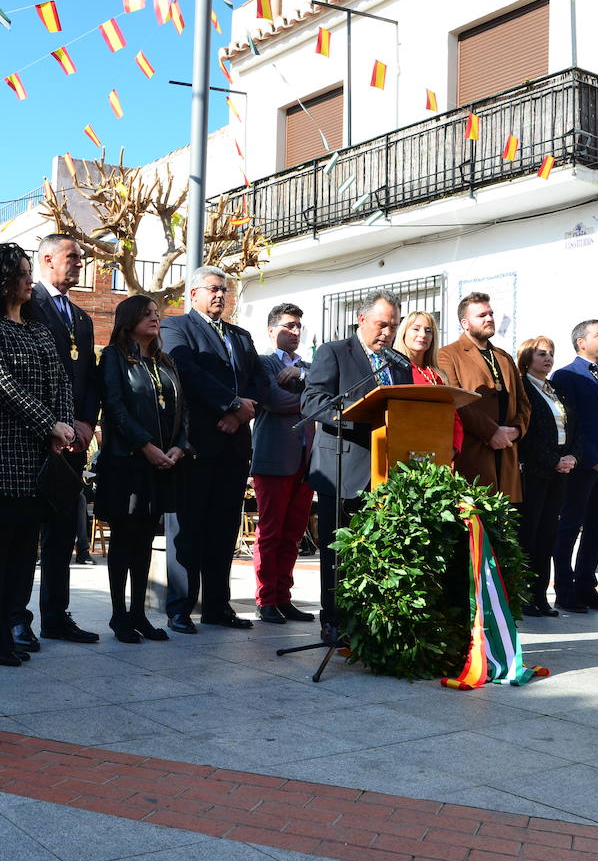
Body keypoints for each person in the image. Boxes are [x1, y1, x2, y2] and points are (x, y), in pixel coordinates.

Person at [0, 243, 75, 665]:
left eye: (31, 272)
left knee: (26, 547)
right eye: (23, 273)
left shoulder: (39, 329)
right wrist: (49, 423)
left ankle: (13, 623)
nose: (31, 280)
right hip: (0, 452)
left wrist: (61, 427)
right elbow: (0, 384)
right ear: (2, 280)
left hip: (41, 458)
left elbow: (63, 383)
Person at [159, 266, 264, 633]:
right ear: (193, 294)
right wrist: (231, 404)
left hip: (234, 446)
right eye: (213, 289)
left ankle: (218, 606)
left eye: (225, 290)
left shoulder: (241, 336)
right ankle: (180, 608)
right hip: (197, 444)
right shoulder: (176, 328)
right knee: (187, 528)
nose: (220, 295)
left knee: (223, 528)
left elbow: (258, 382)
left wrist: (239, 414)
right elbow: (185, 372)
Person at [300, 290, 411, 635]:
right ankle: (333, 620)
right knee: (340, 552)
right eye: (381, 325)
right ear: (361, 319)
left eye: (393, 326)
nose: (388, 333)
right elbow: (312, 401)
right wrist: (357, 414)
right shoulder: (334, 352)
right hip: (342, 467)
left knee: (381, 550)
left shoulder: (399, 363)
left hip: (387, 471)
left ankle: (373, 621)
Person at [22, 234, 101, 647]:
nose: (79, 264)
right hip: (35, 436)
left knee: (62, 531)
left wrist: (85, 422)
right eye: (72, 257)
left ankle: (56, 614)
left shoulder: (82, 318)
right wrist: (51, 424)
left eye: (80, 258)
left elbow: (87, 375)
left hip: (74, 439)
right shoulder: (26, 303)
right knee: (22, 534)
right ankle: (16, 618)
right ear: (47, 259)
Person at [96, 295, 188, 642]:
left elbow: (184, 408)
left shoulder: (165, 360)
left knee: (146, 539)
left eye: (156, 314)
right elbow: (116, 410)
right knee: (125, 539)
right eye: (147, 314)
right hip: (127, 463)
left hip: (163, 464)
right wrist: (147, 446)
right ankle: (119, 615)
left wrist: (180, 445)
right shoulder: (114, 358)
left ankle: (139, 613)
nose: (155, 318)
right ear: (129, 319)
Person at [549, 319, 598, 613]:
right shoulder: (566, 376)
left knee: (596, 527)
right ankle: (564, 588)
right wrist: (595, 459)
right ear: (582, 342)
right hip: (582, 466)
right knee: (570, 526)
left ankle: (586, 586)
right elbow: (571, 424)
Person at [250, 303, 317, 624]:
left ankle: (284, 597)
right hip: (274, 459)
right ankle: (266, 599)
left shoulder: (308, 366)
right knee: (271, 532)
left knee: (293, 534)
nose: (295, 332)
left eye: (298, 326)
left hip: (306, 461)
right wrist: (311, 402)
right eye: (288, 326)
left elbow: (329, 397)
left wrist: (304, 378)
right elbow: (274, 401)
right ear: (271, 330)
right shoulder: (261, 363)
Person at [436, 293, 528, 501]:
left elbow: (523, 403)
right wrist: (491, 432)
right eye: (482, 315)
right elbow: (455, 401)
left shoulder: (504, 357)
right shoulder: (447, 355)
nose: (489, 319)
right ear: (465, 323)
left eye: (491, 314)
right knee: (477, 529)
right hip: (473, 457)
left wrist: (515, 431)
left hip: (507, 459)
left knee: (506, 530)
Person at [516, 336, 578, 617]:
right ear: (527, 358)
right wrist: (554, 460)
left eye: (551, 354)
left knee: (548, 534)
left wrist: (571, 457)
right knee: (530, 533)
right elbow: (525, 434)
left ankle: (542, 596)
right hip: (535, 471)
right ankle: (526, 596)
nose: (548, 358)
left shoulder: (555, 389)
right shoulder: (523, 388)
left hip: (561, 472)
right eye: (541, 354)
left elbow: (572, 427)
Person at [394, 310, 464, 458]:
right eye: (416, 328)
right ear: (404, 333)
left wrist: (453, 449)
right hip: (404, 451)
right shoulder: (395, 370)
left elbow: (453, 415)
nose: (423, 335)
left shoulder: (438, 375)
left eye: (428, 331)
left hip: (438, 452)